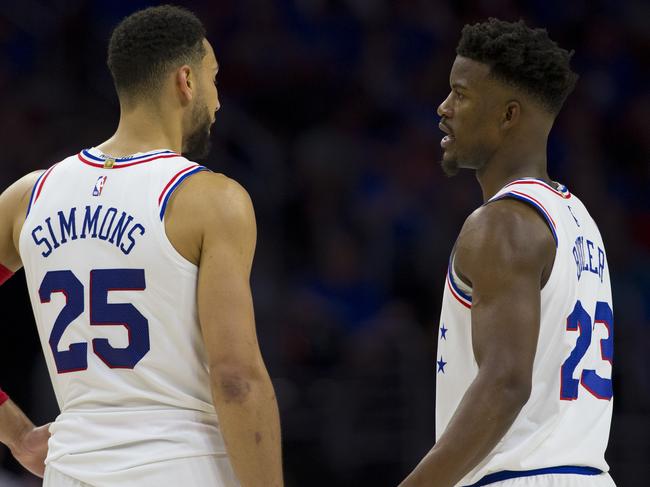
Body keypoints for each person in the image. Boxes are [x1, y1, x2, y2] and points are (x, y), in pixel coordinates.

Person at [0, 5, 283, 487]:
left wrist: (19, 434)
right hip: (182, 468)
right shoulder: (212, 200)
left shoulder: (30, 196)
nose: (217, 103)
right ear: (186, 80)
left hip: (70, 470)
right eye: (215, 81)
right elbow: (236, 379)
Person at [400, 19, 615, 487]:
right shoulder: (578, 219)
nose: (444, 108)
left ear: (508, 115)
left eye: (461, 94)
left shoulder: (500, 225)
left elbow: (505, 384)